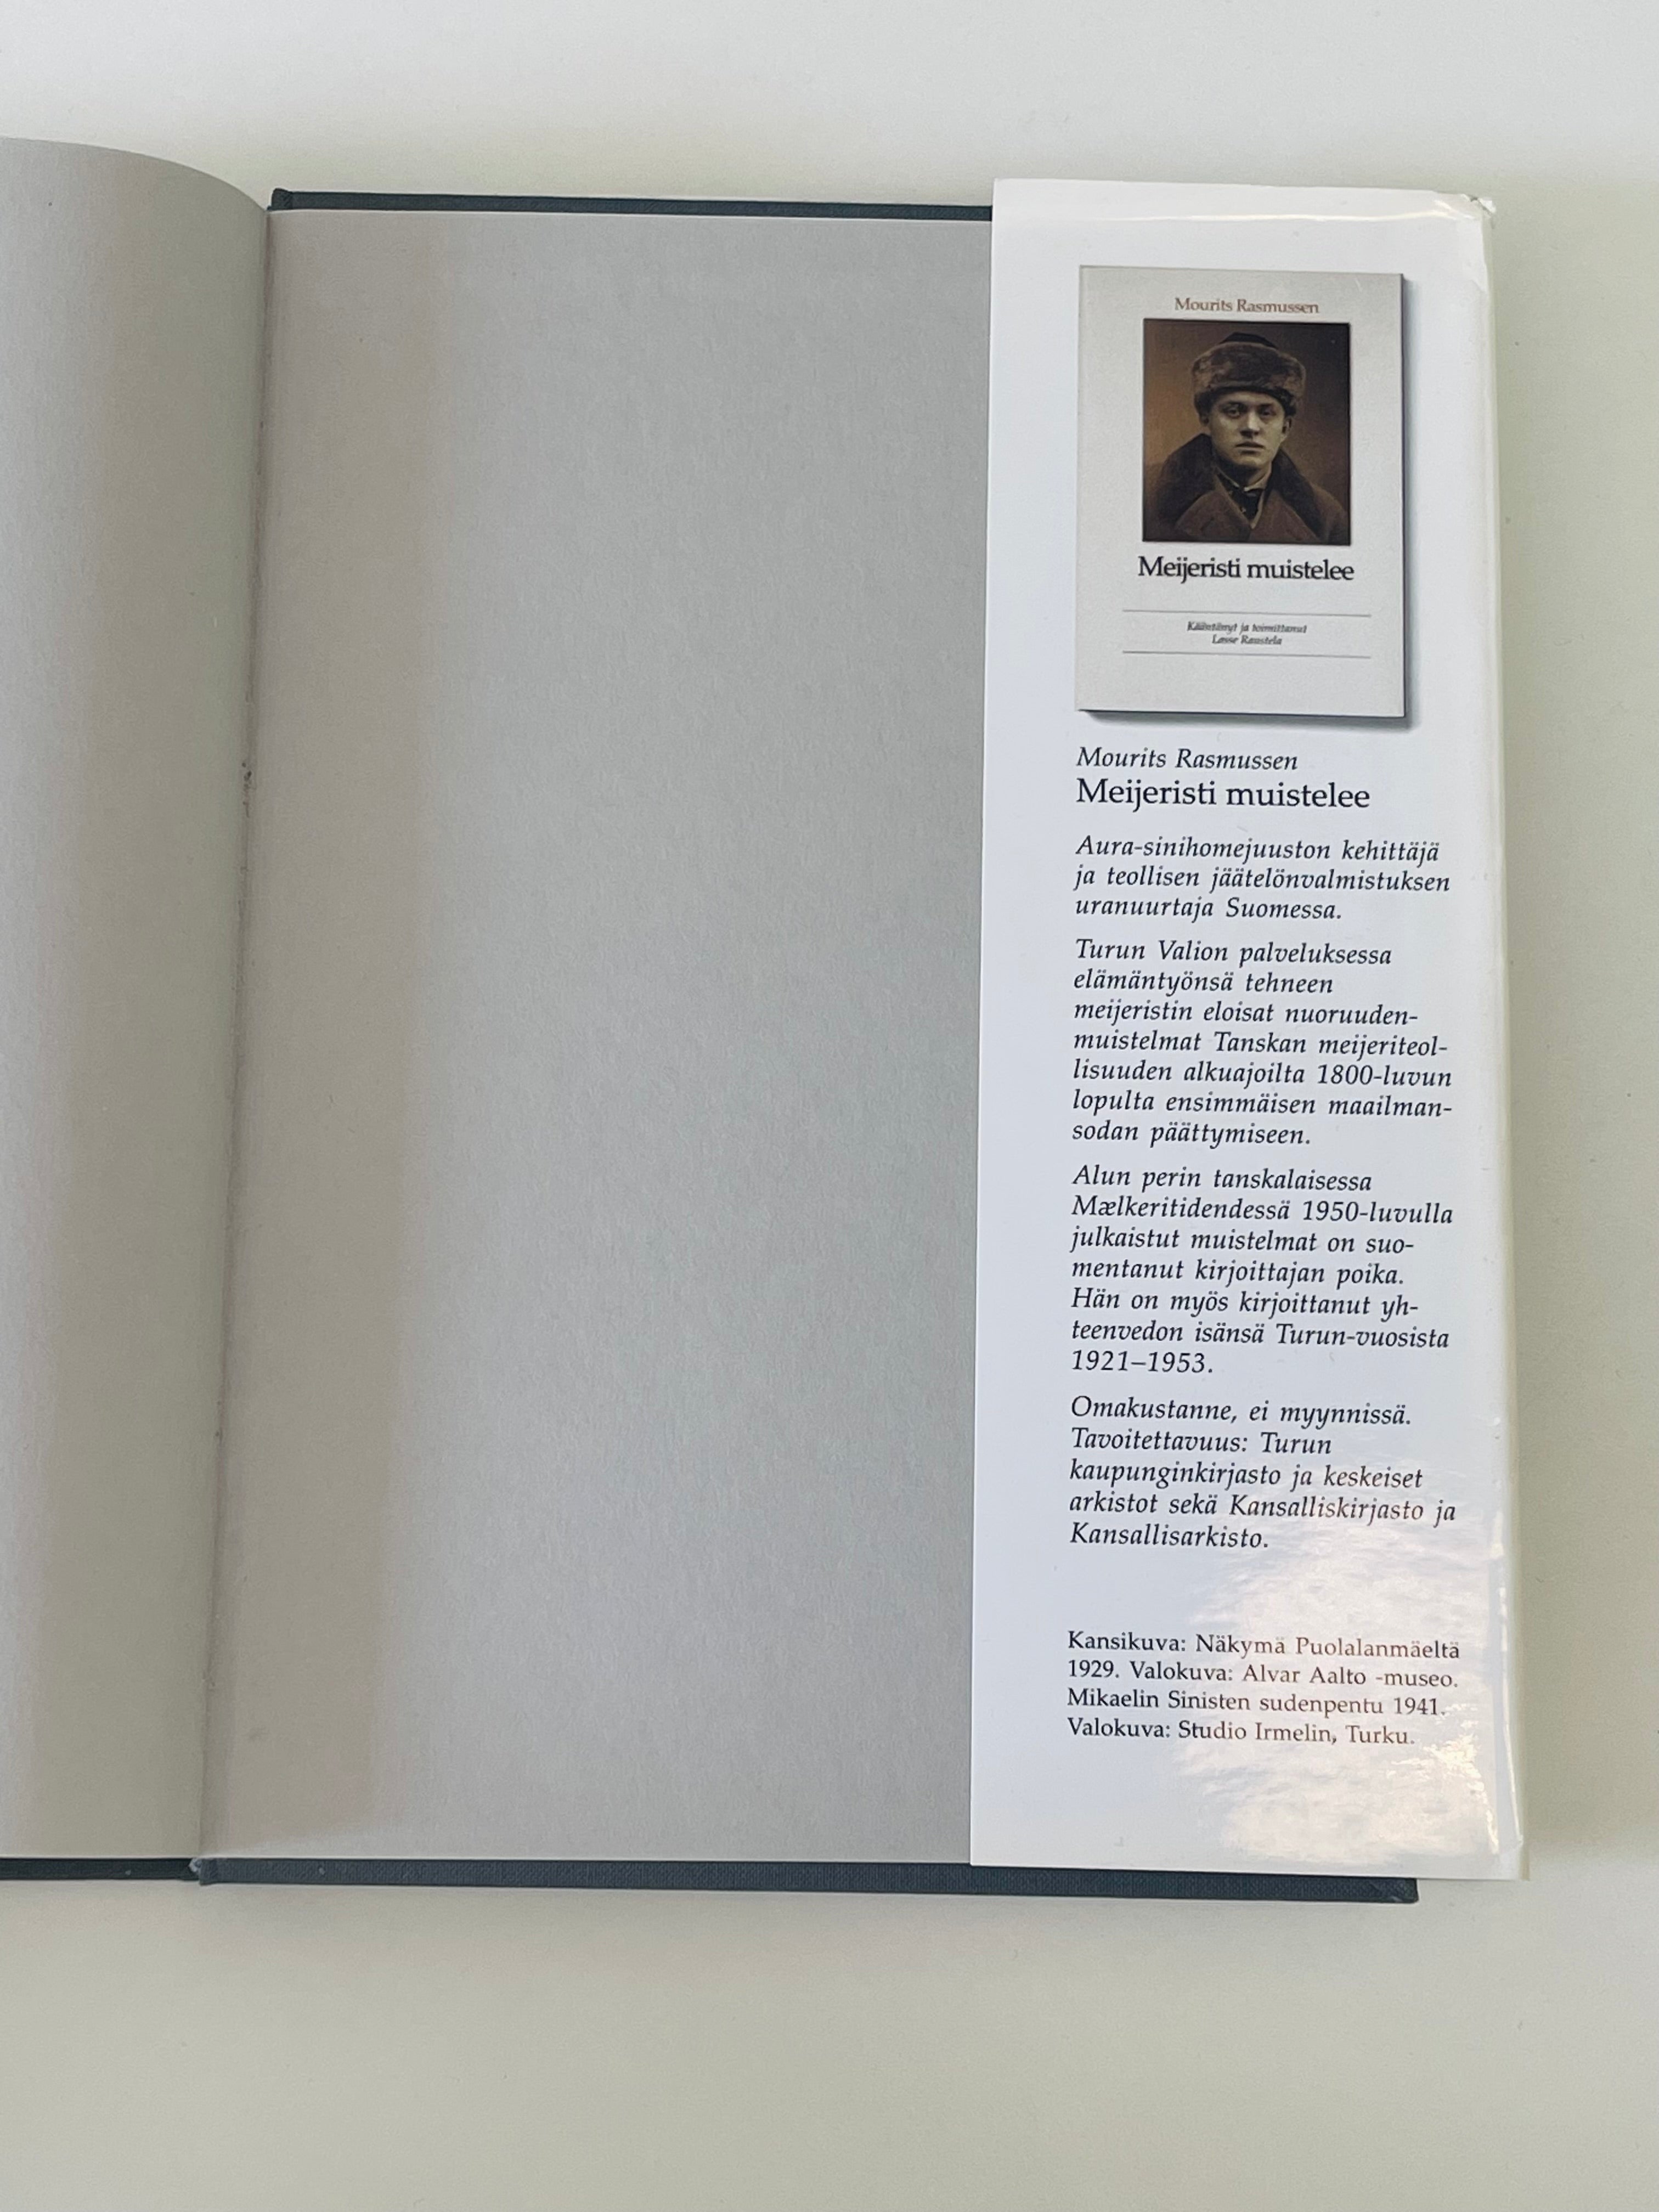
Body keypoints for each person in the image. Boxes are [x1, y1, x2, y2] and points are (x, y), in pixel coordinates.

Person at [1145, 330, 1349, 545]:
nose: (1251, 427)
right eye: (1234, 411)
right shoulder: (1148, 495)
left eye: (1266, 413)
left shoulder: (1326, 515)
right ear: (1206, 420)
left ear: (1285, 428)